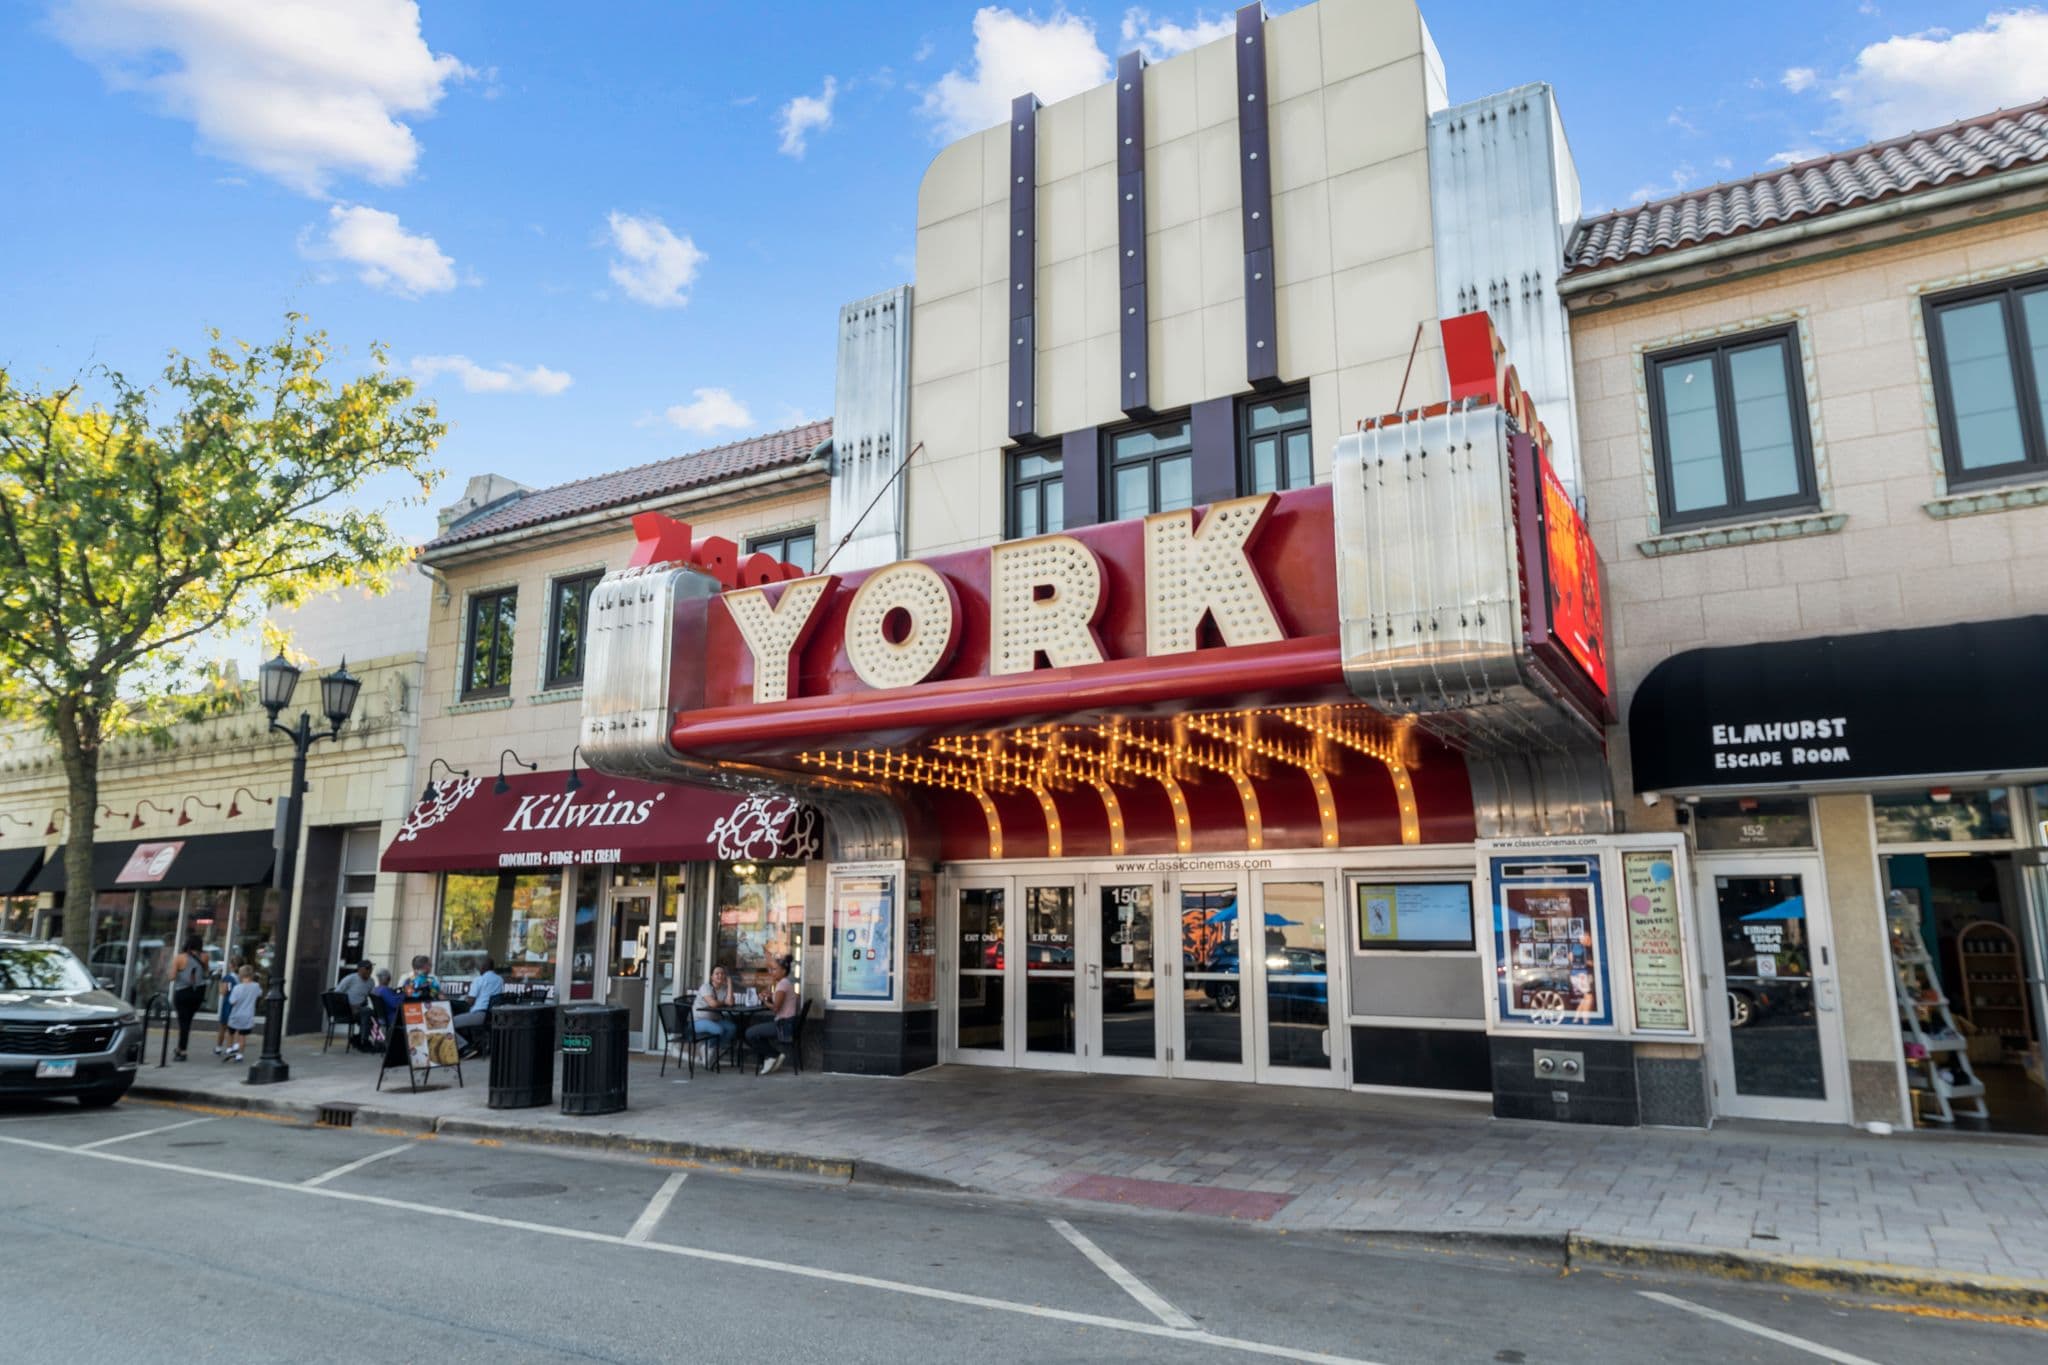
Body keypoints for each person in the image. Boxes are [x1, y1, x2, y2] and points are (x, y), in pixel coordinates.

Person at [743, 955, 799, 1076]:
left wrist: (764, 1001)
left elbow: (775, 1008)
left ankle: (773, 1055)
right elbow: (779, 1000)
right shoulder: (784, 984)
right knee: (756, 1032)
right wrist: (771, 995)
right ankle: (769, 1057)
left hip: (783, 1026)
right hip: (786, 1024)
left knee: (749, 1033)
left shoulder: (782, 985)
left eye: (774, 969)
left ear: (783, 971)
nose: (772, 972)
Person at [452, 956, 503, 1059]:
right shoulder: (500, 979)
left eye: (479, 967)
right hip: (492, 1015)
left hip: (479, 1015)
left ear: (483, 967)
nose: (478, 969)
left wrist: (465, 998)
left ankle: (465, 1048)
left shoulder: (479, 980)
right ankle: (473, 1046)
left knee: (446, 1025)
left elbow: (470, 1002)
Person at [168, 936, 209, 1062]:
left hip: (183, 992)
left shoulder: (179, 958)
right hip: (198, 993)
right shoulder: (205, 957)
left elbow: (172, 977)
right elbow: (206, 973)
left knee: (183, 1022)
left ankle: (182, 1050)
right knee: (188, 1021)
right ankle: (181, 1048)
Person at [691, 965, 737, 1066]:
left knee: (732, 1028)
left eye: (722, 973)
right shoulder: (705, 987)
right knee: (719, 1030)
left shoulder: (724, 988)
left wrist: (729, 983)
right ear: (712, 976)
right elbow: (713, 1004)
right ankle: (707, 1049)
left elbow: (730, 1003)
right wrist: (723, 1001)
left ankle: (710, 1050)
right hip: (698, 1021)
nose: (720, 975)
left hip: (714, 1020)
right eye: (717, 973)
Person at [221, 965, 260, 1064]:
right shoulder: (256, 986)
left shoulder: (237, 988)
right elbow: (259, 994)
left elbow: (232, 1001)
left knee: (231, 1033)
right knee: (242, 1036)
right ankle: (239, 1055)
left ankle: (229, 1049)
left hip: (236, 1014)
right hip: (248, 1015)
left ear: (240, 975)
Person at [337, 960, 376, 1050]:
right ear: (360, 969)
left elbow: (371, 996)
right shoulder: (350, 979)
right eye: (367, 968)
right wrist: (349, 1006)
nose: (370, 970)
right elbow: (337, 995)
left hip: (360, 1009)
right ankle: (363, 1042)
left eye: (371, 968)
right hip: (348, 1009)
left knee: (372, 1013)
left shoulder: (371, 981)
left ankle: (359, 1038)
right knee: (367, 1012)